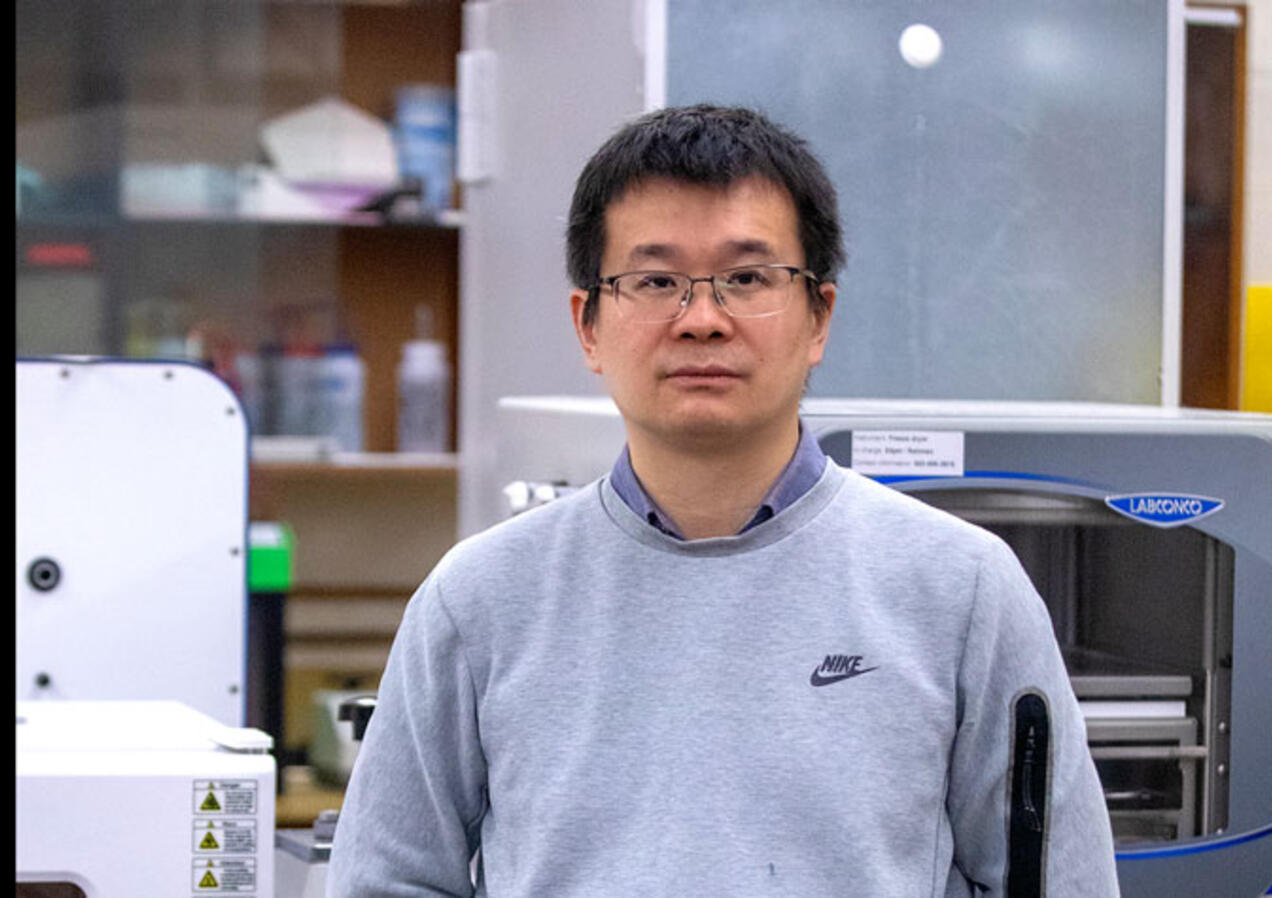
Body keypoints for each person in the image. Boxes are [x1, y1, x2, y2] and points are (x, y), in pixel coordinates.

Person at [328, 103, 1120, 897]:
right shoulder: (478, 602)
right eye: (655, 280)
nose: (701, 319)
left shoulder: (963, 590)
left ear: (820, 317)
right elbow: (386, 881)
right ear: (589, 326)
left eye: (747, 278)